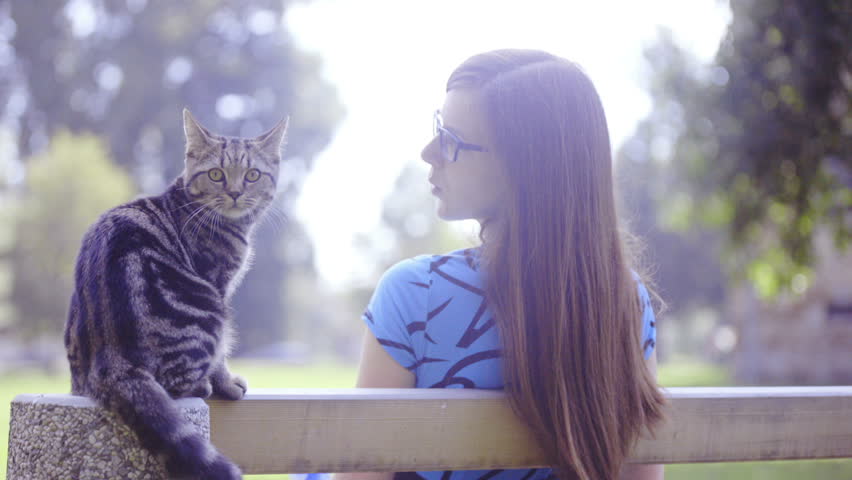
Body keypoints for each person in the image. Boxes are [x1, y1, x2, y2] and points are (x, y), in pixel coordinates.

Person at [342, 49, 666, 480]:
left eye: (452, 141)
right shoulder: (623, 298)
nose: (428, 152)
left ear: (521, 167)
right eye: (438, 129)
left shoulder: (414, 294)